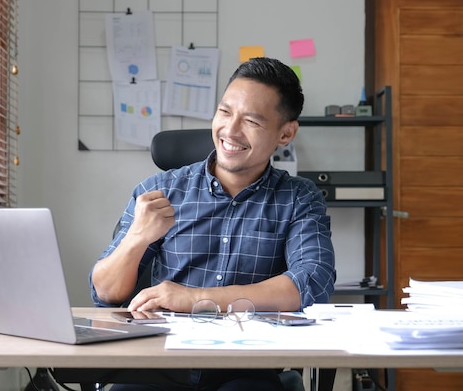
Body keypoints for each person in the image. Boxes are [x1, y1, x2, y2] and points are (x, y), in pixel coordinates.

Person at [89, 57, 336, 391]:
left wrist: (195, 299)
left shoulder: (298, 197)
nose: (230, 131)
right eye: (224, 112)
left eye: (251, 120)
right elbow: (105, 294)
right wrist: (135, 239)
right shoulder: (158, 190)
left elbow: (311, 283)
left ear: (285, 133)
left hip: (247, 364)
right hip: (159, 360)